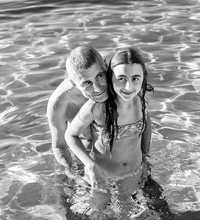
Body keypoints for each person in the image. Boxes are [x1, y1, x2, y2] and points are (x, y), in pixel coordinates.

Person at [65, 47, 155, 219]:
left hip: (133, 174)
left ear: (143, 78)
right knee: (97, 214)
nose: (129, 86)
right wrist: (90, 166)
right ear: (110, 76)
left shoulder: (140, 98)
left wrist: (145, 157)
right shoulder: (97, 107)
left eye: (135, 79)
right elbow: (70, 135)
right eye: (121, 79)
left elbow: (146, 124)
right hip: (103, 178)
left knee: (128, 214)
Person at [47, 45, 108, 170]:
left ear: (106, 66)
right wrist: (73, 175)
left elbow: (142, 116)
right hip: (85, 161)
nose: (97, 88)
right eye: (87, 83)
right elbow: (59, 146)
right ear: (73, 83)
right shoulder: (60, 102)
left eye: (100, 76)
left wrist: (145, 160)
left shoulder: (120, 82)